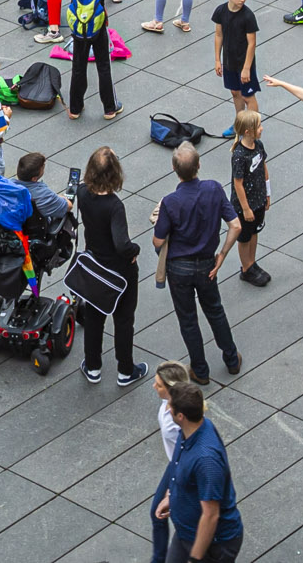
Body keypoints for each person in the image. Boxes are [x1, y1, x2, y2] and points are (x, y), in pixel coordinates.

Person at [149, 139, 243, 385]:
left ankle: (200, 370)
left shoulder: (170, 202)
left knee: (188, 319)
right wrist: (221, 255)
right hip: (206, 266)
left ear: (174, 169)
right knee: (215, 310)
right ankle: (231, 359)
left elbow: (158, 243)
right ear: (199, 165)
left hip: (178, 270)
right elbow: (235, 225)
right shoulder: (213, 189)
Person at [75, 146, 144, 386]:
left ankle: (92, 366)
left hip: (94, 266)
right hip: (119, 271)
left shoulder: (82, 192)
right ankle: (125, 370)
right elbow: (122, 244)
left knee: (94, 317)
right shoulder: (115, 206)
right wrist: (135, 250)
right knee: (124, 320)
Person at [155, 377, 241, 563]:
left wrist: (195, 558)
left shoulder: (206, 460)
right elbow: (181, 469)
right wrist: (171, 496)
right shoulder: (189, 430)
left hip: (213, 545)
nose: (167, 409)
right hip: (186, 532)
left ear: (180, 416)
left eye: (170, 406)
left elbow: (211, 514)